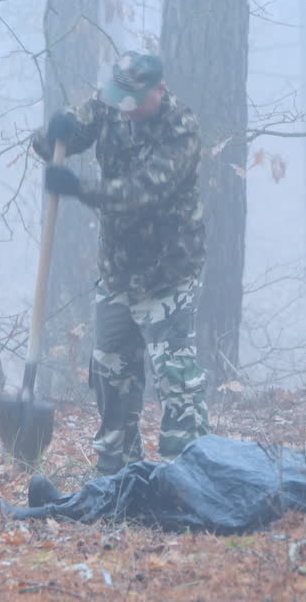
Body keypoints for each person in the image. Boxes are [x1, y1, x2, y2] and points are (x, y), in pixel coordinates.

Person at [32, 51, 209, 474]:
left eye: (134, 99)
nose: (124, 108)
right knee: (111, 375)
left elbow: (142, 192)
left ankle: (190, 475)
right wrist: (55, 131)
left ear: (159, 90)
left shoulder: (180, 128)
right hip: (117, 272)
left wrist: (80, 188)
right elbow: (59, 140)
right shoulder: (109, 104)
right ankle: (117, 476)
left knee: (176, 379)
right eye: (120, 97)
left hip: (169, 274)